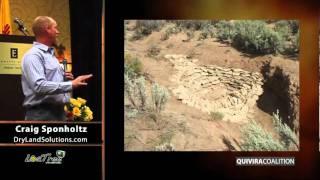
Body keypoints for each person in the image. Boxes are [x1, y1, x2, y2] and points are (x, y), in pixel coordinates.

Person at [21, 16, 92, 121]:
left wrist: (63, 79)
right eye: (55, 28)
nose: (58, 32)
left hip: (58, 113)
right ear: (47, 29)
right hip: (42, 115)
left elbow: (50, 82)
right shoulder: (33, 56)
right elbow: (39, 86)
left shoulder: (51, 56)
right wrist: (71, 84)